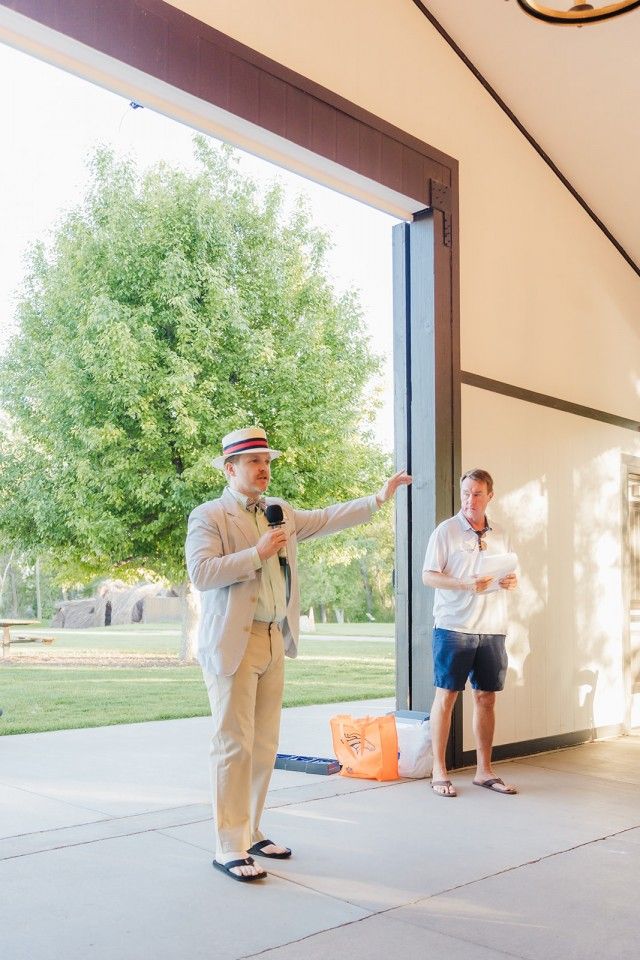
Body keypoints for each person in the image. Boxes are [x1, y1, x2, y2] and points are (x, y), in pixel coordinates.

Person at [185, 426, 411, 882]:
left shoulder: (280, 512)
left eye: (267, 461)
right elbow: (201, 573)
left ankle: (249, 832)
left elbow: (325, 518)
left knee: (265, 744)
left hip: (273, 638)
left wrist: (378, 499)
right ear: (230, 469)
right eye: (254, 462)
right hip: (235, 642)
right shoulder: (209, 516)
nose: (264, 469)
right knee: (233, 744)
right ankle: (227, 845)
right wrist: (257, 552)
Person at [422, 468, 518, 798]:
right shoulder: (445, 531)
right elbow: (428, 576)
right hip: (453, 627)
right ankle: (439, 770)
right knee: (446, 697)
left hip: (492, 628)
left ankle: (484, 771)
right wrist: (463, 584)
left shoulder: (502, 533)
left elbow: (508, 573)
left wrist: (510, 581)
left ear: (490, 496)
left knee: (486, 698)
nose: (470, 500)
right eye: (465, 493)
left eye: (477, 494)